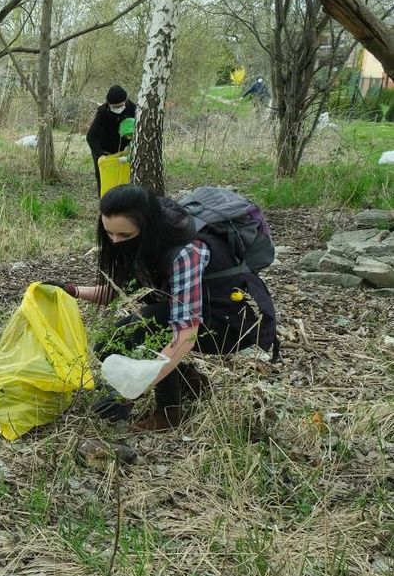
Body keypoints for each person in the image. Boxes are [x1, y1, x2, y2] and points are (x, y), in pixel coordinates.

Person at [44, 184, 278, 432]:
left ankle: (168, 413)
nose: (115, 242)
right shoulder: (140, 242)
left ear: (147, 227)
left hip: (230, 323)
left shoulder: (186, 252)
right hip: (192, 314)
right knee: (109, 345)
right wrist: (72, 290)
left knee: (153, 325)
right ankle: (189, 382)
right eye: (109, 234)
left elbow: (186, 335)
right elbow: (114, 291)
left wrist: (129, 392)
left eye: (124, 236)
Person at [86, 86, 137, 196]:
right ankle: (105, 209)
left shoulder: (133, 109)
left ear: (126, 101)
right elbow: (91, 137)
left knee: (124, 182)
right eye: (115, 107)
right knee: (104, 182)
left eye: (120, 105)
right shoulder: (102, 113)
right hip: (104, 152)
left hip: (124, 152)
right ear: (109, 104)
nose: (118, 108)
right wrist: (100, 154)